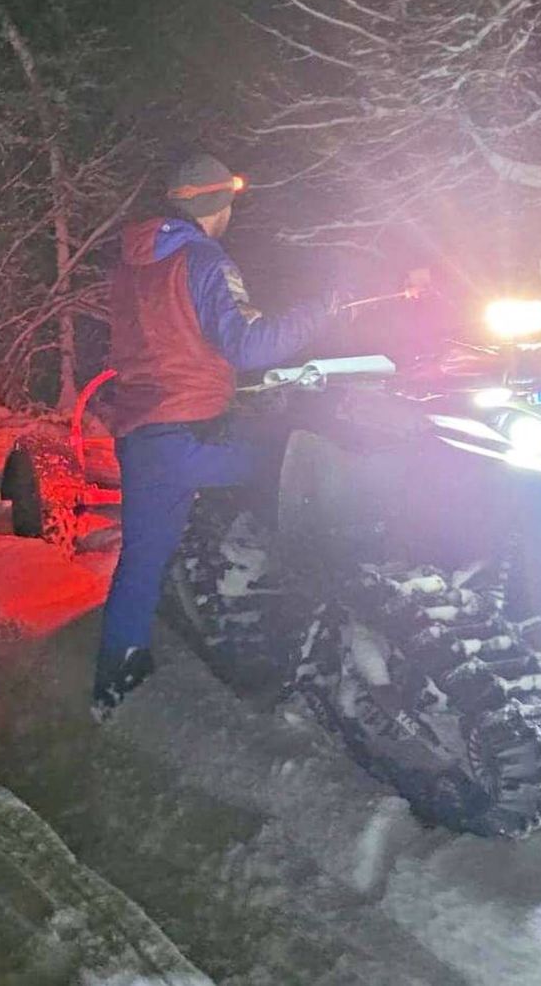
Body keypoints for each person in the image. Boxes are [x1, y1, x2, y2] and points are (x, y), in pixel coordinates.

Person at [92, 152, 336, 721]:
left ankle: (116, 676)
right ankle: (302, 629)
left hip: (143, 431)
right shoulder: (203, 259)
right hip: (191, 431)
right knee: (300, 469)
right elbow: (249, 348)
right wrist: (320, 311)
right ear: (216, 203)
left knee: (142, 559)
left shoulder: (132, 265)